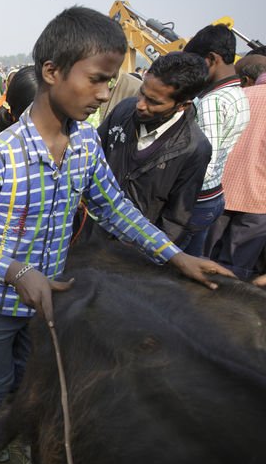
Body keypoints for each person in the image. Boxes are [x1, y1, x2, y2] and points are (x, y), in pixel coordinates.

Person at [0, 7, 233, 464]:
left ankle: (12, 434)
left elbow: (115, 208)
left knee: (33, 381)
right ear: (51, 71)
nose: (104, 94)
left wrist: (176, 256)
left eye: (109, 82)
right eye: (96, 80)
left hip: (53, 301)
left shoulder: (85, 146)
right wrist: (17, 271)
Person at [98, 52, 212, 244]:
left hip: (133, 246)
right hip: (92, 230)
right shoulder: (124, 110)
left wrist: (148, 255)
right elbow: (92, 156)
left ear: (182, 105)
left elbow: (175, 221)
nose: (141, 105)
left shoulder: (194, 149)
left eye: (154, 102)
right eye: (142, 93)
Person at [181, 24, 250, 256]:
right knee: (193, 258)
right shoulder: (238, 94)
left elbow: (204, 161)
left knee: (171, 261)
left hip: (196, 199)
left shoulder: (214, 101)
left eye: (196, 63)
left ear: (211, 59)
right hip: (213, 195)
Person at [206, 52, 266, 279]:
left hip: (216, 192)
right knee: (235, 269)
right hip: (259, 203)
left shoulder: (237, 97)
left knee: (204, 258)